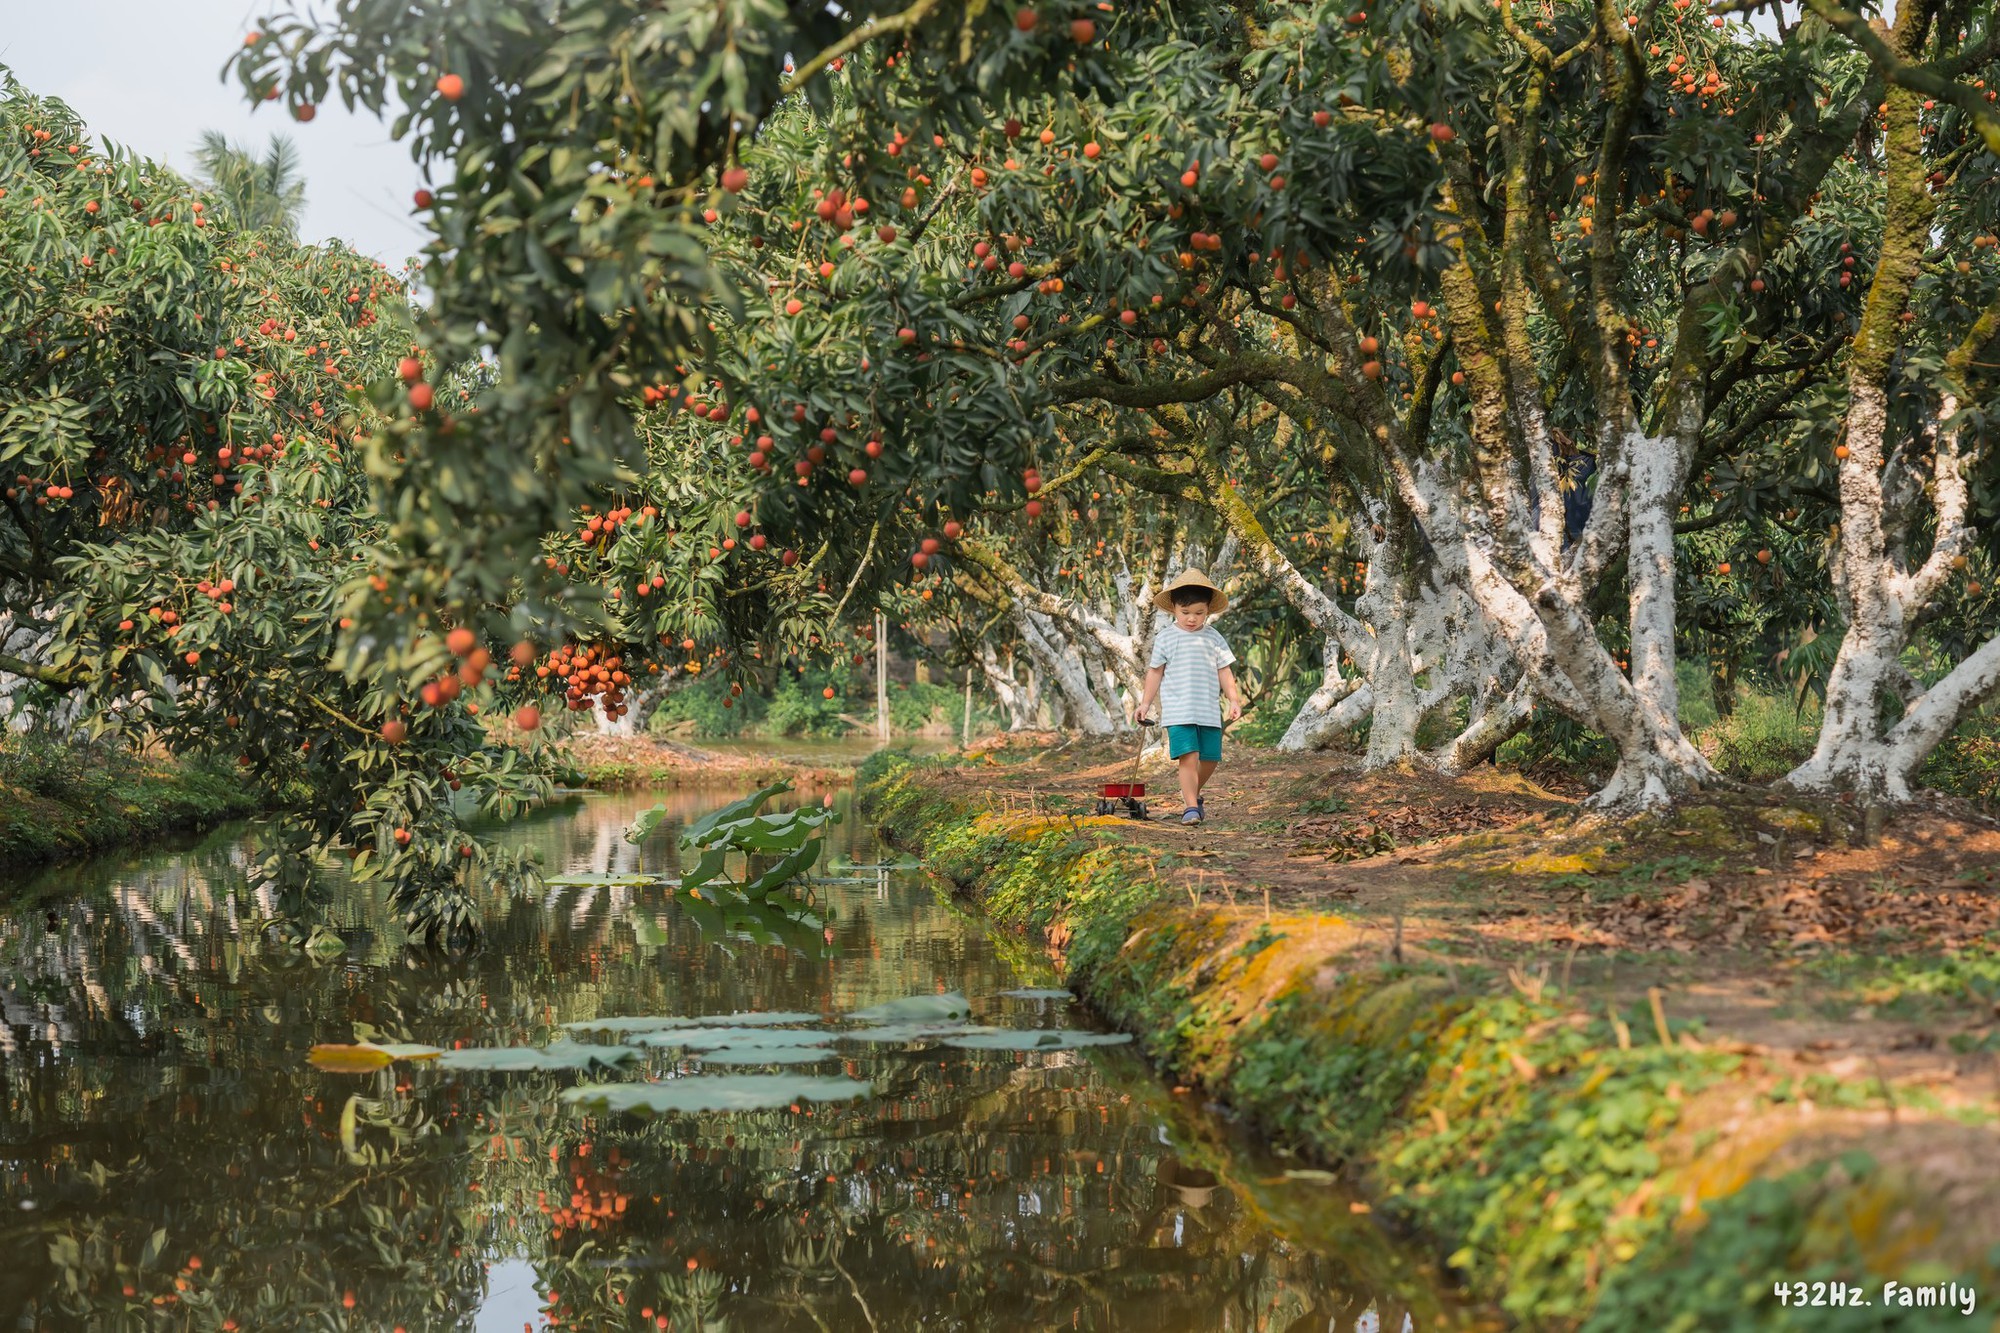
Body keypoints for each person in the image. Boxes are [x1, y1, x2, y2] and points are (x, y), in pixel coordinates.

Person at [1133, 568, 1242, 825]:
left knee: (1211, 758)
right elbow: (1154, 672)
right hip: (1179, 710)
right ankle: (1191, 807)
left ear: (1208, 611)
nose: (1192, 619)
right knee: (1189, 756)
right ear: (1173, 609)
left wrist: (1234, 700)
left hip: (1207, 710)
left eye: (1199, 613)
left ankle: (1191, 793)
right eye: (1185, 613)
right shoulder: (1166, 637)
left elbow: (1224, 670)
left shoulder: (1214, 637)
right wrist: (1145, 704)